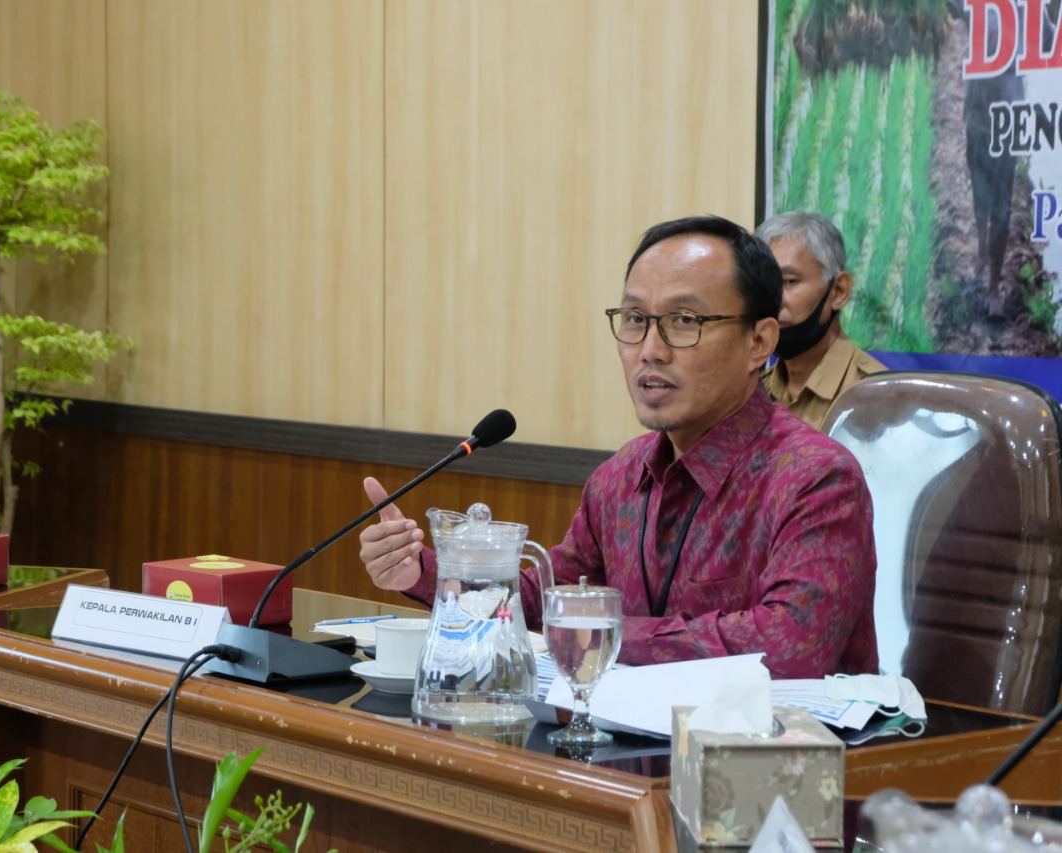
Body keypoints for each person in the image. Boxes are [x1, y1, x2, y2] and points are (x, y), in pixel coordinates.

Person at [358, 215, 878, 678]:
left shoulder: (816, 478)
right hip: (627, 744)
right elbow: (547, 600)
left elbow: (788, 647)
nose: (650, 350)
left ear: (759, 342)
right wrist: (425, 572)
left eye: (684, 322)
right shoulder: (620, 477)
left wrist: (606, 630)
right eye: (635, 320)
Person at [755, 211, 886, 431]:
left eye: (789, 281)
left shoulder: (880, 397)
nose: (772, 299)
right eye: (763, 285)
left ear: (839, 291)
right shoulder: (753, 394)